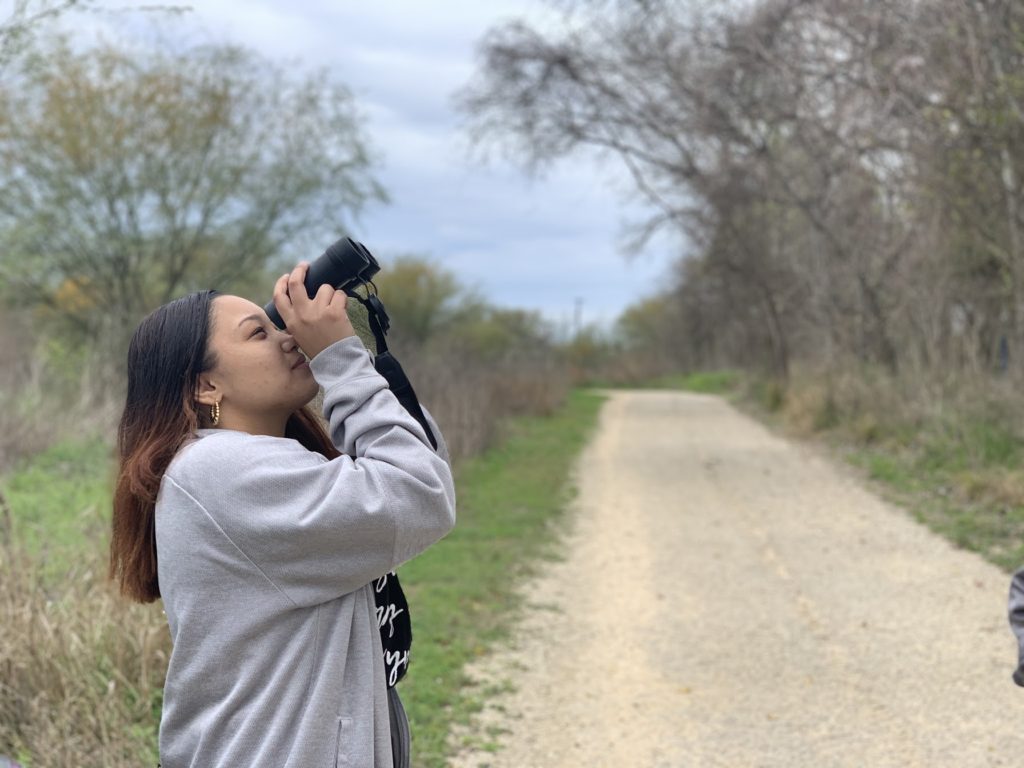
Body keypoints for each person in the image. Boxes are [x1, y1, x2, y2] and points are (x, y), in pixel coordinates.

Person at [109, 263, 456, 767]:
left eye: (280, 324)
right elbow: (419, 494)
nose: (288, 339)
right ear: (206, 387)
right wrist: (340, 358)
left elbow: (422, 470)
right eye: (260, 333)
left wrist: (355, 359)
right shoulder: (219, 470)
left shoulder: (271, 461)